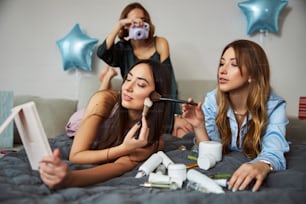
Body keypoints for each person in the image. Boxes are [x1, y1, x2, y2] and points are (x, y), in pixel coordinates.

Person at [39, 59, 171, 189]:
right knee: (102, 96)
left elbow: (118, 167)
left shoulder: (152, 140)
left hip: (111, 122)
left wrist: (70, 179)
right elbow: (76, 156)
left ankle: (107, 79)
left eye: (140, 85)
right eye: (128, 79)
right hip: (83, 120)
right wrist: (124, 149)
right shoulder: (103, 100)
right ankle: (107, 79)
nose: (127, 87)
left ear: (157, 96)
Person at [181, 39, 289, 192]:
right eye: (221, 63)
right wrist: (199, 126)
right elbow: (211, 150)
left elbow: (274, 150)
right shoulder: (212, 100)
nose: (222, 70)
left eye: (234, 64)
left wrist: (261, 164)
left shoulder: (274, 105)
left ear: (252, 74)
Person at [96, 2, 188, 134]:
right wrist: (119, 25)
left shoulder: (160, 43)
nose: (138, 24)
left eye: (143, 20)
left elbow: (168, 82)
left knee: (181, 132)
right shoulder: (123, 49)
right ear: (126, 26)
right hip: (134, 106)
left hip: (158, 104)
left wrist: (173, 117)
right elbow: (101, 52)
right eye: (133, 21)